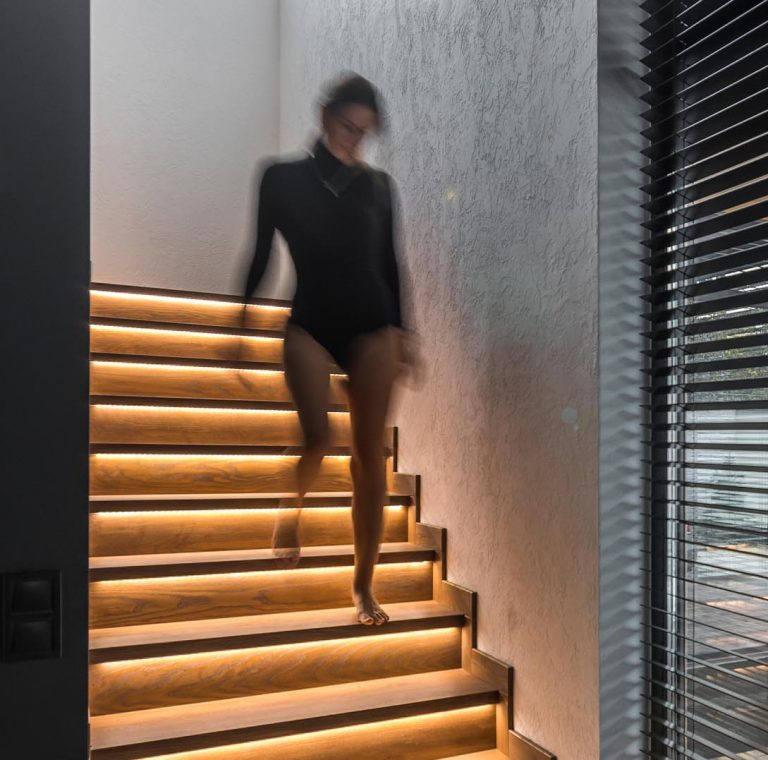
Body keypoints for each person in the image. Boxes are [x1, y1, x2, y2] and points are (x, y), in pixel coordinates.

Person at [241, 72, 422, 625]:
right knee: (317, 439)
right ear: (324, 116)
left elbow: (391, 263)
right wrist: (243, 317)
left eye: (365, 133)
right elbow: (260, 251)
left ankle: (362, 588)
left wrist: (405, 333)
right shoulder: (279, 178)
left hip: (371, 328)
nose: (354, 140)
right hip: (309, 324)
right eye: (348, 126)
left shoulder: (377, 186)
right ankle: (288, 507)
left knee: (371, 462)